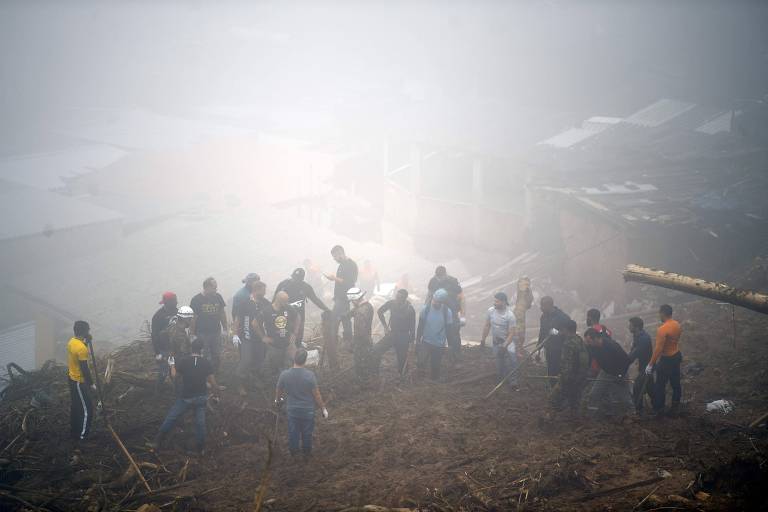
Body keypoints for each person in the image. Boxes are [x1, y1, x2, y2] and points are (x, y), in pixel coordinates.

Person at [152, 338, 219, 455]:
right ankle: (200, 449)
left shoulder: (184, 361)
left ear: (191, 349)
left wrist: (172, 365)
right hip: (201, 397)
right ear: (201, 350)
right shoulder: (206, 362)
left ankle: (157, 441)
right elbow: (213, 382)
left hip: (186, 397)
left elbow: (174, 376)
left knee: (171, 417)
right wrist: (217, 394)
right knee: (200, 422)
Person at [275, 349, 329, 458]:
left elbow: (278, 390)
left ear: (294, 358)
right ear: (305, 361)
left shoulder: (284, 375)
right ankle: (307, 454)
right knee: (307, 433)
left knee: (293, 433)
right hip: (307, 410)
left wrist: (277, 400)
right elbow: (316, 394)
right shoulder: (310, 375)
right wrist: (323, 408)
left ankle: (294, 455)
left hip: (292, 411)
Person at [275, 268, 331, 347]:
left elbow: (315, 299)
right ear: (292, 276)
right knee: (283, 337)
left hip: (299, 316)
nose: (295, 280)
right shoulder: (284, 284)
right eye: (294, 278)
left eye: (298, 279)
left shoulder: (305, 287)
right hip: (284, 316)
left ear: (302, 279)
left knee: (298, 337)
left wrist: (326, 309)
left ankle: (297, 352)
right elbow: (274, 299)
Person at [233, 281, 271, 396]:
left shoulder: (266, 303)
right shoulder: (245, 303)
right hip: (247, 337)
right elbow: (238, 319)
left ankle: (255, 381)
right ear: (257, 290)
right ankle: (240, 384)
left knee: (259, 361)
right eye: (263, 290)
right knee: (246, 360)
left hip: (261, 338)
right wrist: (235, 334)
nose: (265, 293)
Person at [584, 328, 633, 416]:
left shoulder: (611, 345)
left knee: (625, 398)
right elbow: (589, 358)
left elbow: (626, 361)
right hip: (605, 372)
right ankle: (591, 416)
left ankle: (632, 415)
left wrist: (620, 375)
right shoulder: (591, 347)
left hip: (619, 372)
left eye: (589, 341)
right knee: (594, 394)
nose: (588, 344)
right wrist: (586, 371)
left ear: (595, 338)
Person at [479, 292, 521, 388]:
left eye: (497, 301)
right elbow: (487, 325)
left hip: (509, 342)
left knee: (512, 362)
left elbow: (512, 333)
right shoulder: (491, 311)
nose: (494, 303)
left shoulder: (510, 316)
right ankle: (501, 379)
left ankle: (513, 382)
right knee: (499, 361)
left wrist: (505, 345)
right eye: (494, 301)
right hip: (496, 342)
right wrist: (483, 339)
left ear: (503, 302)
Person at [647, 304, 683, 415]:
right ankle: (675, 406)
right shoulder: (677, 324)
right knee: (676, 383)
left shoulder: (662, 329)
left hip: (666, 359)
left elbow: (658, 349)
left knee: (660, 386)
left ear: (663, 313)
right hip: (676, 356)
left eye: (659, 313)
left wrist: (650, 364)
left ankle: (659, 410)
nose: (659, 315)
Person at [550, 319, 590, 415]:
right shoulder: (579, 339)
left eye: (562, 329)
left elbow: (566, 363)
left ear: (565, 329)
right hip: (580, 377)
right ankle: (575, 420)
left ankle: (548, 419)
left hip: (569, 378)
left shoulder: (568, 343)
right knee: (575, 401)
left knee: (553, 399)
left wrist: (563, 378)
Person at [426, 266, 465, 361]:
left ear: (445, 274)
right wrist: (426, 308)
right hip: (436, 311)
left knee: (454, 334)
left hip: (452, 312)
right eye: (437, 277)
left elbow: (461, 297)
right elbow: (429, 295)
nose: (439, 279)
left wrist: (463, 315)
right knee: (435, 332)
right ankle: (436, 356)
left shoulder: (453, 281)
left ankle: (456, 357)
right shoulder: (433, 281)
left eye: (441, 277)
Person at [374, 289, 416, 375]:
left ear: (404, 298)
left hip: (403, 336)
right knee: (376, 350)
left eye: (399, 297)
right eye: (396, 297)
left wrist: (411, 344)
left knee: (402, 360)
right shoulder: (392, 303)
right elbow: (380, 311)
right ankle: (374, 373)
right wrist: (385, 327)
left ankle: (402, 377)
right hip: (392, 333)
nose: (397, 299)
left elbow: (412, 328)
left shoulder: (410, 310)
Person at [190, 277, 228, 373]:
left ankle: (215, 374)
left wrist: (225, 329)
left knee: (217, 354)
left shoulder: (218, 297)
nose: (216, 289)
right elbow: (193, 318)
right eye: (214, 288)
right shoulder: (196, 299)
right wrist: (192, 334)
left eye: (216, 287)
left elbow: (222, 313)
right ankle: (204, 376)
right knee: (204, 355)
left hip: (216, 332)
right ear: (206, 287)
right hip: (202, 333)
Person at [261, 291, 300, 382]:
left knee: (293, 360)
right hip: (274, 344)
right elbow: (255, 323)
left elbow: (297, 317)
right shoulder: (268, 310)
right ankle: (274, 384)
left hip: (288, 342)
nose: (286, 303)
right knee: (274, 365)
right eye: (284, 301)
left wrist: (295, 332)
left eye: (287, 301)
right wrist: (263, 336)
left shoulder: (287, 307)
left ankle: (290, 382)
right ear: (278, 300)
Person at [416, 289, 454, 380]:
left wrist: (450, 344)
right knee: (421, 362)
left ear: (442, 302)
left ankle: (434, 380)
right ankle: (420, 380)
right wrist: (417, 340)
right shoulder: (426, 309)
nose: (434, 303)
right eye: (434, 300)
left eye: (437, 302)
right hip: (426, 341)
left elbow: (449, 329)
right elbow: (420, 326)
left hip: (439, 343)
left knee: (435, 364)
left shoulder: (447, 312)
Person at [324, 245, 358, 346]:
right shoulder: (341, 265)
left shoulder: (351, 265)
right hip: (339, 296)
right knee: (345, 318)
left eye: (335, 257)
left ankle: (333, 341)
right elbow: (340, 281)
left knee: (333, 318)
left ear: (340, 253)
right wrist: (333, 279)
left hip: (344, 297)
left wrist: (334, 278)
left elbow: (349, 282)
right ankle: (348, 340)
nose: (334, 259)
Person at [68, 321, 95, 442]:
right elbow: (84, 368)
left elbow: (79, 349)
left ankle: (74, 431)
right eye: (87, 331)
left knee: (76, 406)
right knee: (88, 409)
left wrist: (86, 342)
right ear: (84, 331)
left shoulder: (72, 342)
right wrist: (91, 384)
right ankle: (83, 437)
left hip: (71, 378)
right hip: (79, 381)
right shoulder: (82, 348)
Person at [344, 287, 376, 383]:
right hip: (367, 338)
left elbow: (360, 331)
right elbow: (351, 313)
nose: (351, 303)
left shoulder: (359, 312)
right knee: (367, 359)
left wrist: (353, 343)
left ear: (354, 300)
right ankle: (367, 379)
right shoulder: (368, 306)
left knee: (360, 362)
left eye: (351, 301)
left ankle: (362, 382)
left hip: (361, 341)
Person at [536, 296, 572, 381]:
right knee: (551, 370)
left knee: (560, 370)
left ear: (549, 305)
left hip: (561, 349)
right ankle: (553, 388)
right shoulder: (543, 317)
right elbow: (542, 332)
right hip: (549, 348)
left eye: (543, 306)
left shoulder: (563, 317)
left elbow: (570, 332)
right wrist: (539, 347)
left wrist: (557, 332)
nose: (541, 308)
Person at [627, 316, 654, 414]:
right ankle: (658, 407)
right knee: (650, 388)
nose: (628, 327)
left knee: (637, 387)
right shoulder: (637, 336)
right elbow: (632, 351)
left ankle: (638, 410)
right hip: (644, 366)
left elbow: (635, 353)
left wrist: (625, 362)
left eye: (630, 325)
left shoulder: (644, 339)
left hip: (648, 367)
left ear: (636, 327)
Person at [152, 292, 178, 388]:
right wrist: (157, 353)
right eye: (174, 301)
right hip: (164, 349)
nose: (176, 303)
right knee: (163, 372)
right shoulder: (158, 316)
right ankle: (158, 392)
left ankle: (177, 391)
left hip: (176, 348)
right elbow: (154, 335)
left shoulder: (178, 312)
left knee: (176, 370)